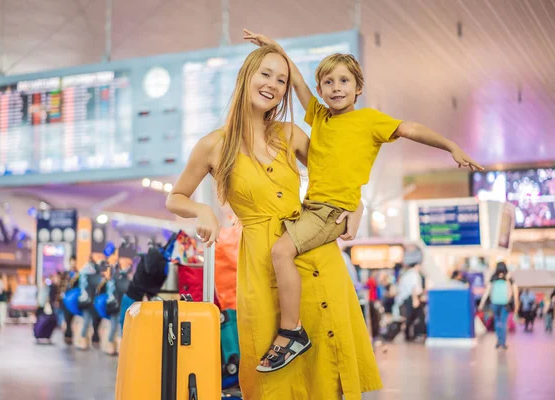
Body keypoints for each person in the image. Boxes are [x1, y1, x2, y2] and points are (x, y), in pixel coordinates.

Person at [242, 29, 483, 370]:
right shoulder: (320, 117)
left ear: (358, 88)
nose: (335, 88)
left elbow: (409, 128)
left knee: (281, 251)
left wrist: (451, 146)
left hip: (330, 212)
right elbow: (295, 81)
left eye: (343, 81)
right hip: (312, 206)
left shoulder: (369, 121)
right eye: (327, 82)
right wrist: (275, 48)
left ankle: (292, 331)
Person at [166, 45, 381, 399]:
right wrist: (202, 211)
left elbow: (340, 178)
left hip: (314, 253)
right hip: (262, 264)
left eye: (282, 80)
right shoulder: (213, 145)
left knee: (326, 369)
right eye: (266, 74)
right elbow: (175, 197)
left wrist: (355, 213)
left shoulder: (288, 134)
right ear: (246, 76)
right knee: (271, 375)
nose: (273, 85)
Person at [119, 247, 168, 333]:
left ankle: (124, 343)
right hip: (144, 299)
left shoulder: (145, 260)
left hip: (132, 295)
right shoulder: (161, 265)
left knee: (125, 325)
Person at [479, 262, 519, 349]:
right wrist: (516, 303)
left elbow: (487, 291)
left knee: (497, 322)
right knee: (504, 322)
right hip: (505, 303)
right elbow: (514, 290)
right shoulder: (508, 278)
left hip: (495, 302)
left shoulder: (493, 278)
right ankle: (503, 342)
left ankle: (498, 341)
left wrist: (481, 303)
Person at [60, 255, 79, 344]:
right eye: (71, 261)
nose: (73, 263)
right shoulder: (66, 273)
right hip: (66, 300)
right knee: (67, 319)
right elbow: (61, 286)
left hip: (74, 300)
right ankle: (68, 335)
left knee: (71, 319)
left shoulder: (78, 274)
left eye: (74, 261)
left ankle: (69, 335)